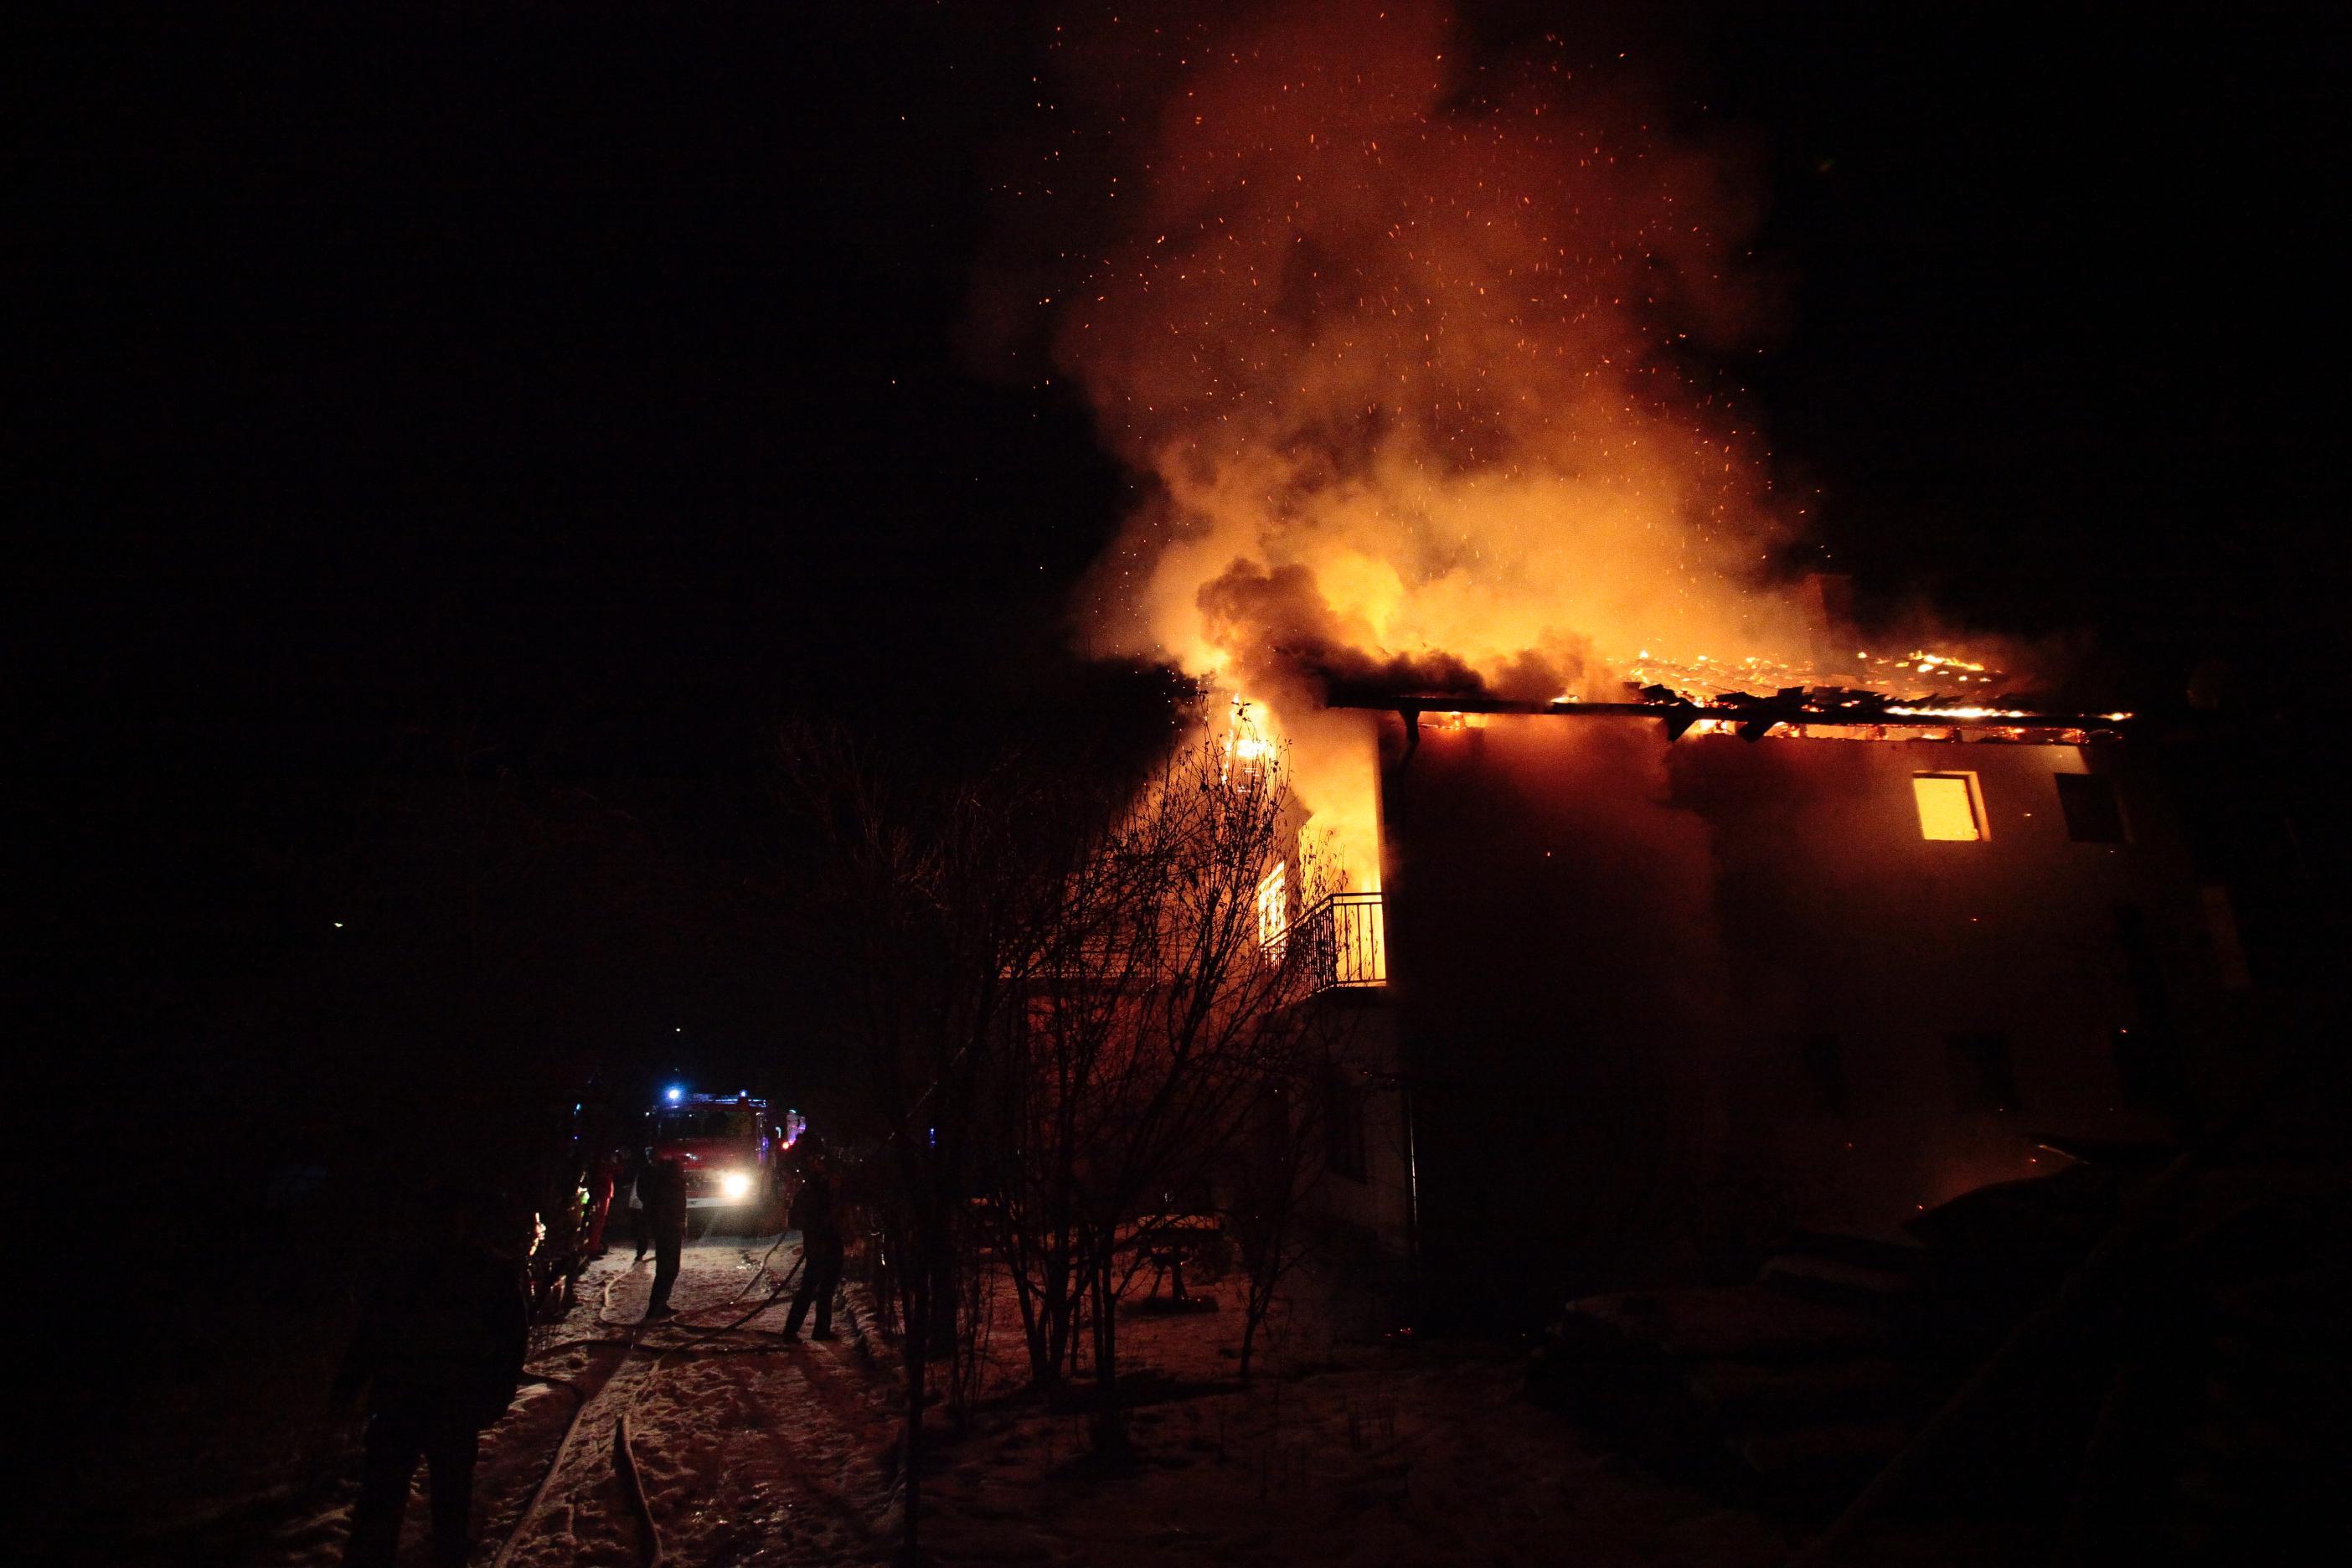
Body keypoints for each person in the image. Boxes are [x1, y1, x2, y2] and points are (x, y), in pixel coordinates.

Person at [333, 1187, 529, 1568]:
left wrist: (347, 1388)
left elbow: (509, 1341)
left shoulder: (424, 1267)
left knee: (413, 1498)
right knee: (421, 1498)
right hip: (424, 1399)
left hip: (424, 1400)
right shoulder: (471, 1267)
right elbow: (372, 1332)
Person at [781, 1148, 843, 1341]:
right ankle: (791, 1331)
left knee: (827, 1287)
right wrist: (816, 1229)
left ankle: (821, 1330)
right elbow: (797, 1219)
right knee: (810, 1287)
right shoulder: (811, 1190)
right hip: (818, 1243)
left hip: (830, 1241)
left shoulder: (827, 1188)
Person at [639, 1150, 688, 1319]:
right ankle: (656, 1308)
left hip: (669, 1229)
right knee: (668, 1269)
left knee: (668, 1269)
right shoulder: (670, 1185)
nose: (683, 1169)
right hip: (668, 1231)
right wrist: (671, 1226)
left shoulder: (669, 1183)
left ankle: (660, 1305)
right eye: (680, 1167)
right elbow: (669, 1209)